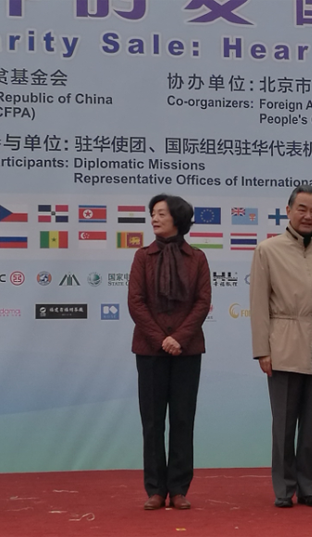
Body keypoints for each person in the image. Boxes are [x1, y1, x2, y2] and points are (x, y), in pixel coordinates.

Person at [249, 184, 312, 508]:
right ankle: (284, 488)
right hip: (283, 346)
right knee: (284, 424)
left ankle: (309, 487)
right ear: (288, 210)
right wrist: (262, 350)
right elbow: (259, 305)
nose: (308, 216)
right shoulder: (267, 250)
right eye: (302, 209)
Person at [128, 194, 211, 510]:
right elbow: (136, 302)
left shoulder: (197, 258)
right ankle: (155, 489)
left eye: (161, 213)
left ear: (178, 218)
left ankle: (178, 489)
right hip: (150, 351)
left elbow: (202, 302)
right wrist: (162, 339)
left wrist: (179, 338)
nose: (154, 218)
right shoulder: (143, 256)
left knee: (182, 419)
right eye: (152, 213)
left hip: (187, 351)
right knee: (152, 422)